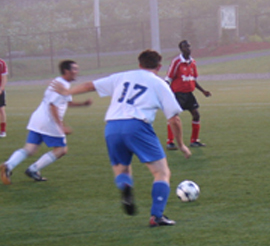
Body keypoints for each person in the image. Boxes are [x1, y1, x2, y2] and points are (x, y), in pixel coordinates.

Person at [51, 49, 191, 227]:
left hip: (112, 127)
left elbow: (89, 85)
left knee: (123, 170)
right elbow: (174, 119)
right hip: (137, 126)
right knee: (161, 172)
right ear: (159, 66)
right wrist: (181, 145)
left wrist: (67, 91)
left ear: (139, 64)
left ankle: (125, 188)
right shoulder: (159, 84)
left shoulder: (121, 76)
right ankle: (156, 216)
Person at [0, 60, 92, 184]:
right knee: (61, 150)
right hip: (49, 123)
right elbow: (53, 106)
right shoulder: (61, 85)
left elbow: (66, 102)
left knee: (30, 149)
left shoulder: (59, 83)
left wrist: (83, 104)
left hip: (37, 119)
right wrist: (61, 126)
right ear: (66, 71)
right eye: (74, 69)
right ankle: (33, 169)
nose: (77, 72)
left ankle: (8, 165)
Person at [165, 40, 212, 150]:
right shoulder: (176, 62)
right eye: (185, 47)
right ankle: (170, 142)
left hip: (189, 94)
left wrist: (203, 91)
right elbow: (168, 78)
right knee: (173, 117)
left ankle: (194, 140)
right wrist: (166, 93)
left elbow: (192, 79)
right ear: (181, 49)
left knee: (196, 115)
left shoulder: (193, 62)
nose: (188, 48)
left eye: (189, 46)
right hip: (178, 94)